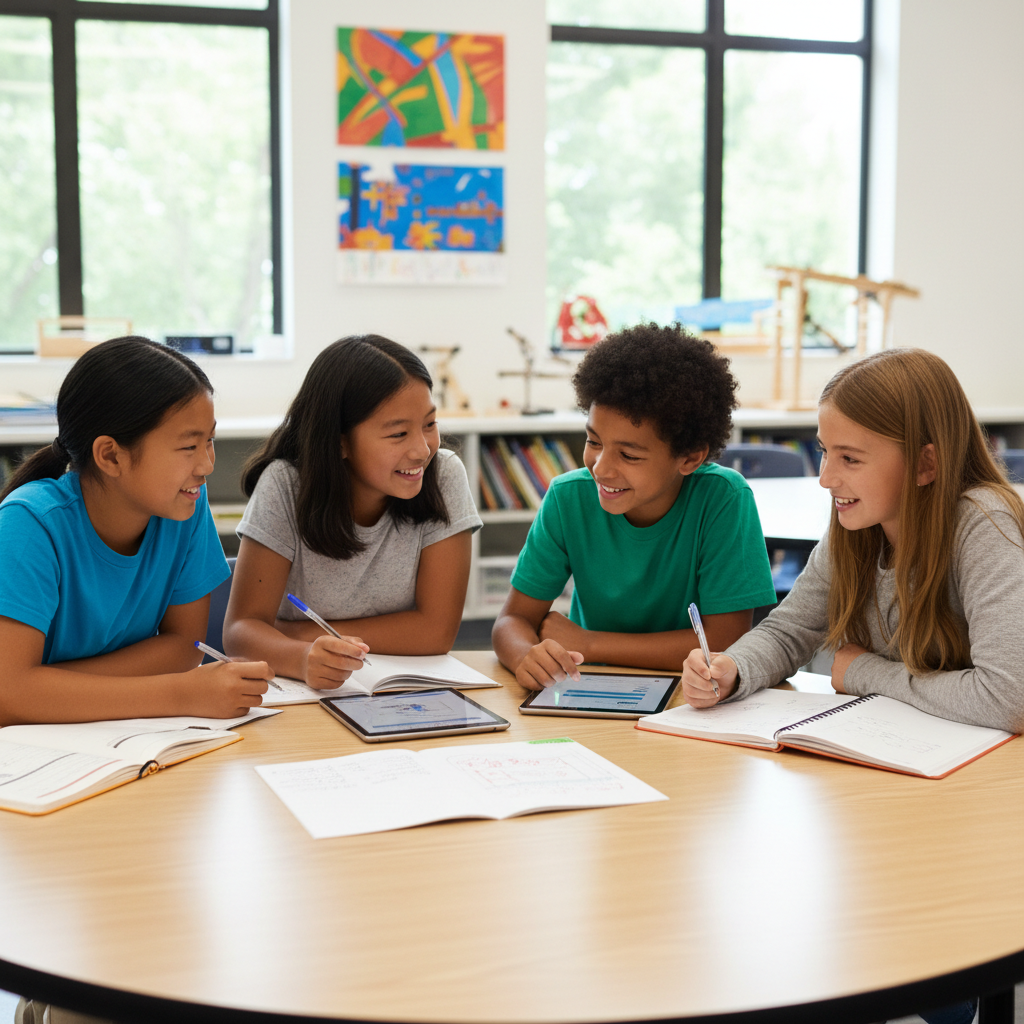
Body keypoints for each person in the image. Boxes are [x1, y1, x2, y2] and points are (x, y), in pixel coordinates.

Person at [683, 347, 1024, 1024]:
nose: (824, 478)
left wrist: (857, 670)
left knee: (933, 971)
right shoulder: (854, 531)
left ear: (926, 463)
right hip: (898, 777)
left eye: (849, 457)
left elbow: (1006, 698)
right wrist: (733, 668)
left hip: (980, 800)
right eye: (823, 451)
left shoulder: (982, 523)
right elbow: (790, 631)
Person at [0, 335, 272, 726]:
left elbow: (185, 647)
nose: (207, 464)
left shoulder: (184, 508)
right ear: (110, 455)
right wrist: (180, 693)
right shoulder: (29, 525)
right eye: (188, 447)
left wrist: (47, 688)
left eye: (209, 440)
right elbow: (9, 696)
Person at [492, 322, 778, 690]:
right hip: (588, 684)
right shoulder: (568, 498)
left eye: (628, 454)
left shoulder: (723, 498)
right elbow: (512, 620)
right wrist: (523, 655)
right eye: (594, 441)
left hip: (690, 695)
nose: (600, 467)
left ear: (689, 458)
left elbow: (724, 643)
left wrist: (590, 643)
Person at [223, 335, 482, 687]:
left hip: (404, 688)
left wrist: (294, 632)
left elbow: (436, 632)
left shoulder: (445, 475)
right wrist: (303, 658)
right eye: (398, 434)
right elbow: (241, 631)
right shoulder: (285, 485)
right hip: (303, 689)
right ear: (340, 441)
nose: (422, 450)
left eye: (430, 424)